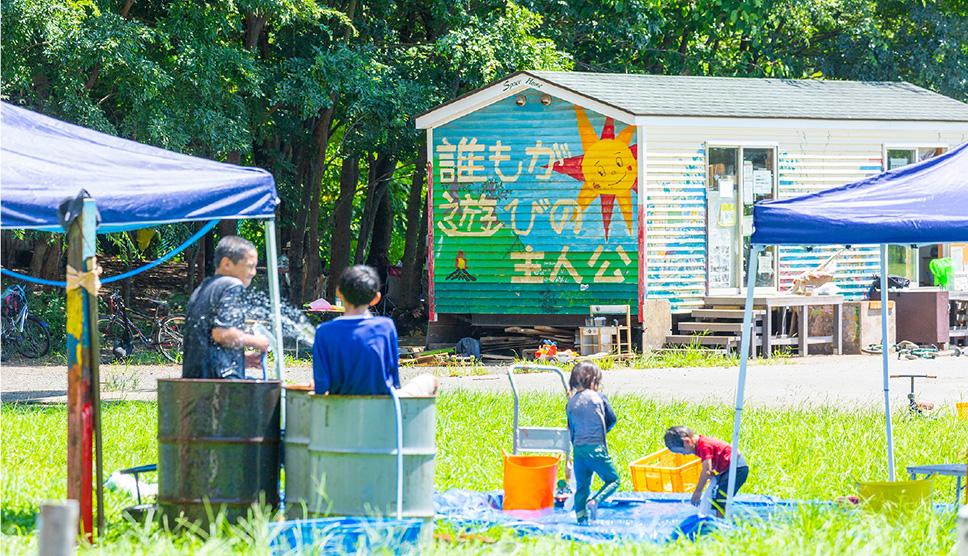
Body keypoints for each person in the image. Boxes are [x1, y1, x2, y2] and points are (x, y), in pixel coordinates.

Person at [312, 265, 437, 397]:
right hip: (381, 404)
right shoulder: (386, 327)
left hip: (340, 408)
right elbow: (393, 378)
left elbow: (321, 387)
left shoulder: (323, 331)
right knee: (429, 380)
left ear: (338, 292)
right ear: (376, 297)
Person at [182, 236, 269, 380]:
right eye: (249, 266)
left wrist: (240, 358)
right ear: (227, 264)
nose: (253, 272)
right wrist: (256, 341)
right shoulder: (232, 284)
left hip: (196, 381)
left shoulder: (205, 287)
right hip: (222, 382)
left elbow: (208, 339)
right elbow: (221, 334)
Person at [566, 360, 620, 524]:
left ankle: (581, 521)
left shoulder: (571, 402)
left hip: (579, 450)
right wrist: (604, 430)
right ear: (593, 380)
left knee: (581, 488)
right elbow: (611, 419)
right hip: (596, 448)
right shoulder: (599, 397)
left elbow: (571, 428)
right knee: (613, 480)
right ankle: (595, 501)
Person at [664, 426, 749, 518]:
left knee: (721, 498)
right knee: (716, 496)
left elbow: (706, 470)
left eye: (681, 451)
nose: (683, 454)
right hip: (730, 468)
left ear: (687, 441)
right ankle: (717, 517)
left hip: (737, 469)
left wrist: (698, 491)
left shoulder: (703, 446)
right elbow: (714, 460)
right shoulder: (701, 444)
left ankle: (721, 523)